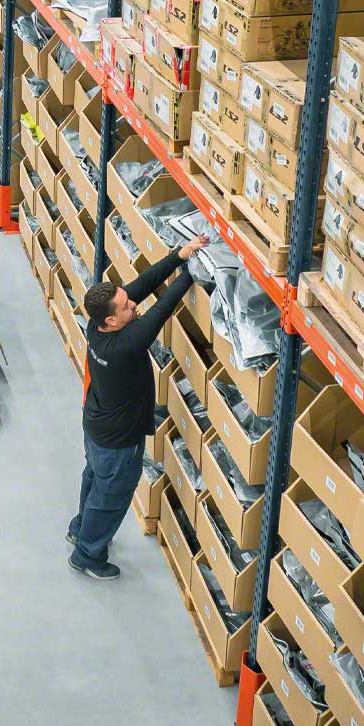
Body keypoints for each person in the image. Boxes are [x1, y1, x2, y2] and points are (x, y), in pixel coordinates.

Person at [68, 235, 211, 580]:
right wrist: (190, 272)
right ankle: (87, 554)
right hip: (118, 442)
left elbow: (142, 287)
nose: (133, 305)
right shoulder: (125, 346)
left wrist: (180, 253)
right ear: (112, 321)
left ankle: (80, 528)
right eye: (126, 308)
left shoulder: (97, 324)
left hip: (96, 426)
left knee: (94, 477)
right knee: (111, 496)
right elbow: (161, 310)